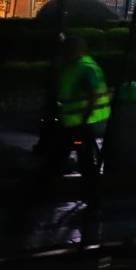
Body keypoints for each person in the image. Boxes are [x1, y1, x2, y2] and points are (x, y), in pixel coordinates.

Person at [39, 36, 110, 213]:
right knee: (60, 157)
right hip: (71, 123)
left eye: (68, 49)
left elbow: (93, 94)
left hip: (82, 124)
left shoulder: (85, 67)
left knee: (83, 161)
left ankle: (93, 200)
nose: (65, 53)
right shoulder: (73, 66)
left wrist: (85, 119)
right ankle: (47, 192)